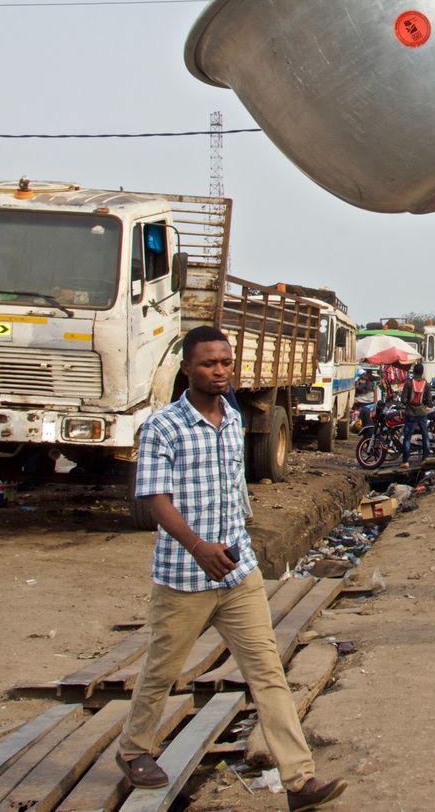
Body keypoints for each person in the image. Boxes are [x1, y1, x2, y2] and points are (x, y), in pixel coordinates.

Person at [119, 326, 344, 810]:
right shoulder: (165, 426)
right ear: (187, 370)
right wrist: (197, 547)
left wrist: (243, 536)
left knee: (268, 673)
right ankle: (136, 750)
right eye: (208, 363)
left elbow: (233, 489)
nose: (219, 370)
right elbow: (154, 499)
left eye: (225, 362)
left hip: (238, 575)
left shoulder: (232, 417)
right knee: (161, 671)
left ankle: (300, 781)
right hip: (184, 576)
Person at [401, 362, 433, 464]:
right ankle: (426, 459)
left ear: (414, 371)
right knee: (425, 436)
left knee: (407, 438)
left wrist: (409, 403)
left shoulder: (408, 383)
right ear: (422, 372)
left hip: (410, 413)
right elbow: (429, 402)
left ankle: (405, 462)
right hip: (422, 413)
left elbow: (403, 400)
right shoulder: (426, 385)